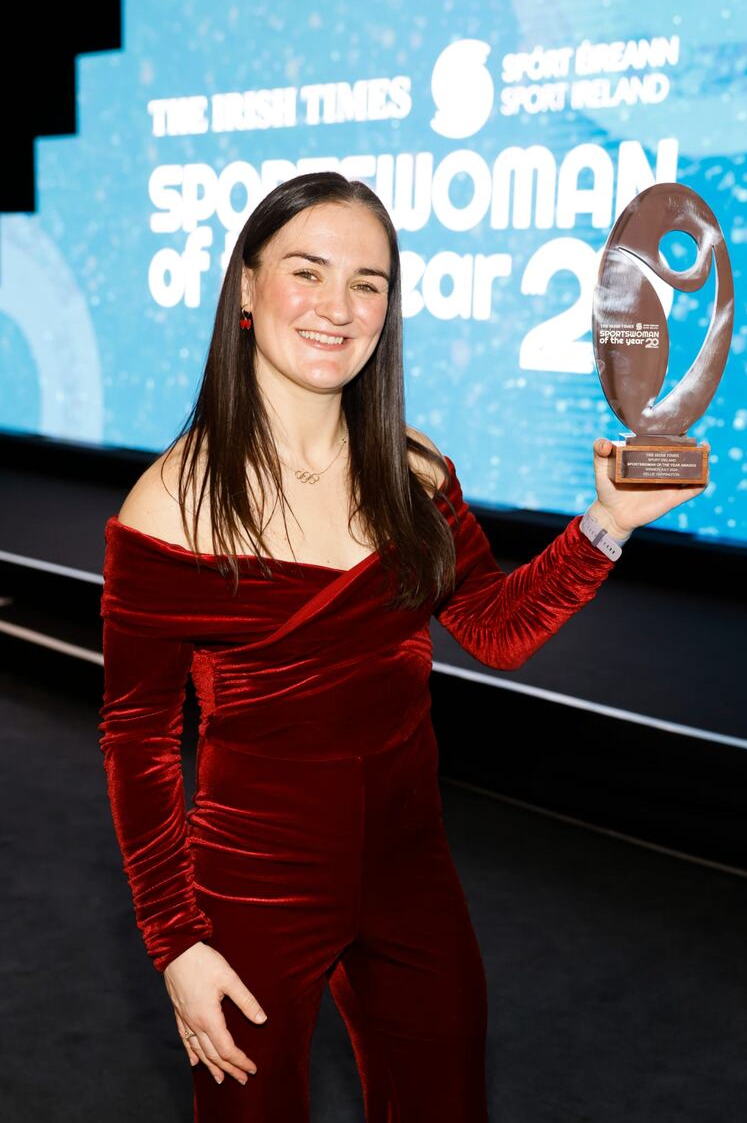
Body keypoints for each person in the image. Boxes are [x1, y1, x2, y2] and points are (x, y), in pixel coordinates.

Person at [97, 170, 707, 1122]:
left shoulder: (416, 472)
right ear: (248, 289)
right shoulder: (170, 506)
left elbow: (496, 628)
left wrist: (608, 521)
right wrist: (176, 940)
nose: (338, 307)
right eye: (308, 271)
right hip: (251, 888)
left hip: (410, 868)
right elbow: (134, 739)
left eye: (368, 282)